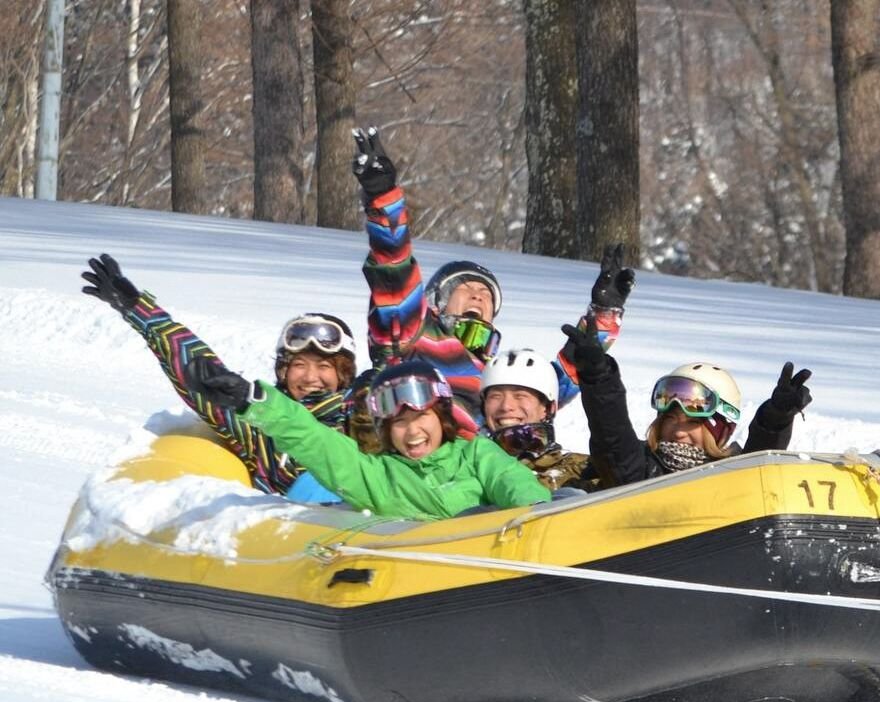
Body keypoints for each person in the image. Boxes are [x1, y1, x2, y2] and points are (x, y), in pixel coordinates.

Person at [349, 126, 634, 439]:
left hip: (483, 471)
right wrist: (383, 198)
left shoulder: (497, 375)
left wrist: (604, 314)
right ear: (436, 301)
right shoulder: (413, 337)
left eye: (486, 294)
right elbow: (394, 271)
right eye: (465, 288)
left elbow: (559, 379)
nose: (477, 296)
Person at [81, 254, 356, 501]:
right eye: (299, 364)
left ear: (343, 372)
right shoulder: (260, 419)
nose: (310, 377)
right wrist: (138, 309)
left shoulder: (365, 414)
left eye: (324, 366)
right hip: (302, 535)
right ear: (283, 370)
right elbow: (202, 371)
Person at [184, 358, 551, 520]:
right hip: (438, 577)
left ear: (440, 416)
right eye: (399, 423)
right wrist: (254, 400)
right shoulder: (378, 476)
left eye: (421, 416)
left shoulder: (473, 453)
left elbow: (509, 478)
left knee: (570, 497)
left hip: (504, 558)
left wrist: (536, 514)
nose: (413, 431)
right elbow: (315, 441)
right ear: (386, 431)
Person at [562, 317, 813, 487]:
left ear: (721, 429)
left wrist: (775, 419)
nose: (679, 431)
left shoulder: (733, 478)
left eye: (693, 422)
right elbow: (612, 439)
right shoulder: (640, 469)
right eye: (670, 418)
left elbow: (759, 469)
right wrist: (599, 377)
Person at [480, 348, 598, 492]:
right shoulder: (464, 466)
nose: (505, 406)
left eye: (520, 396)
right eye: (495, 396)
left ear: (547, 408)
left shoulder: (580, 471)